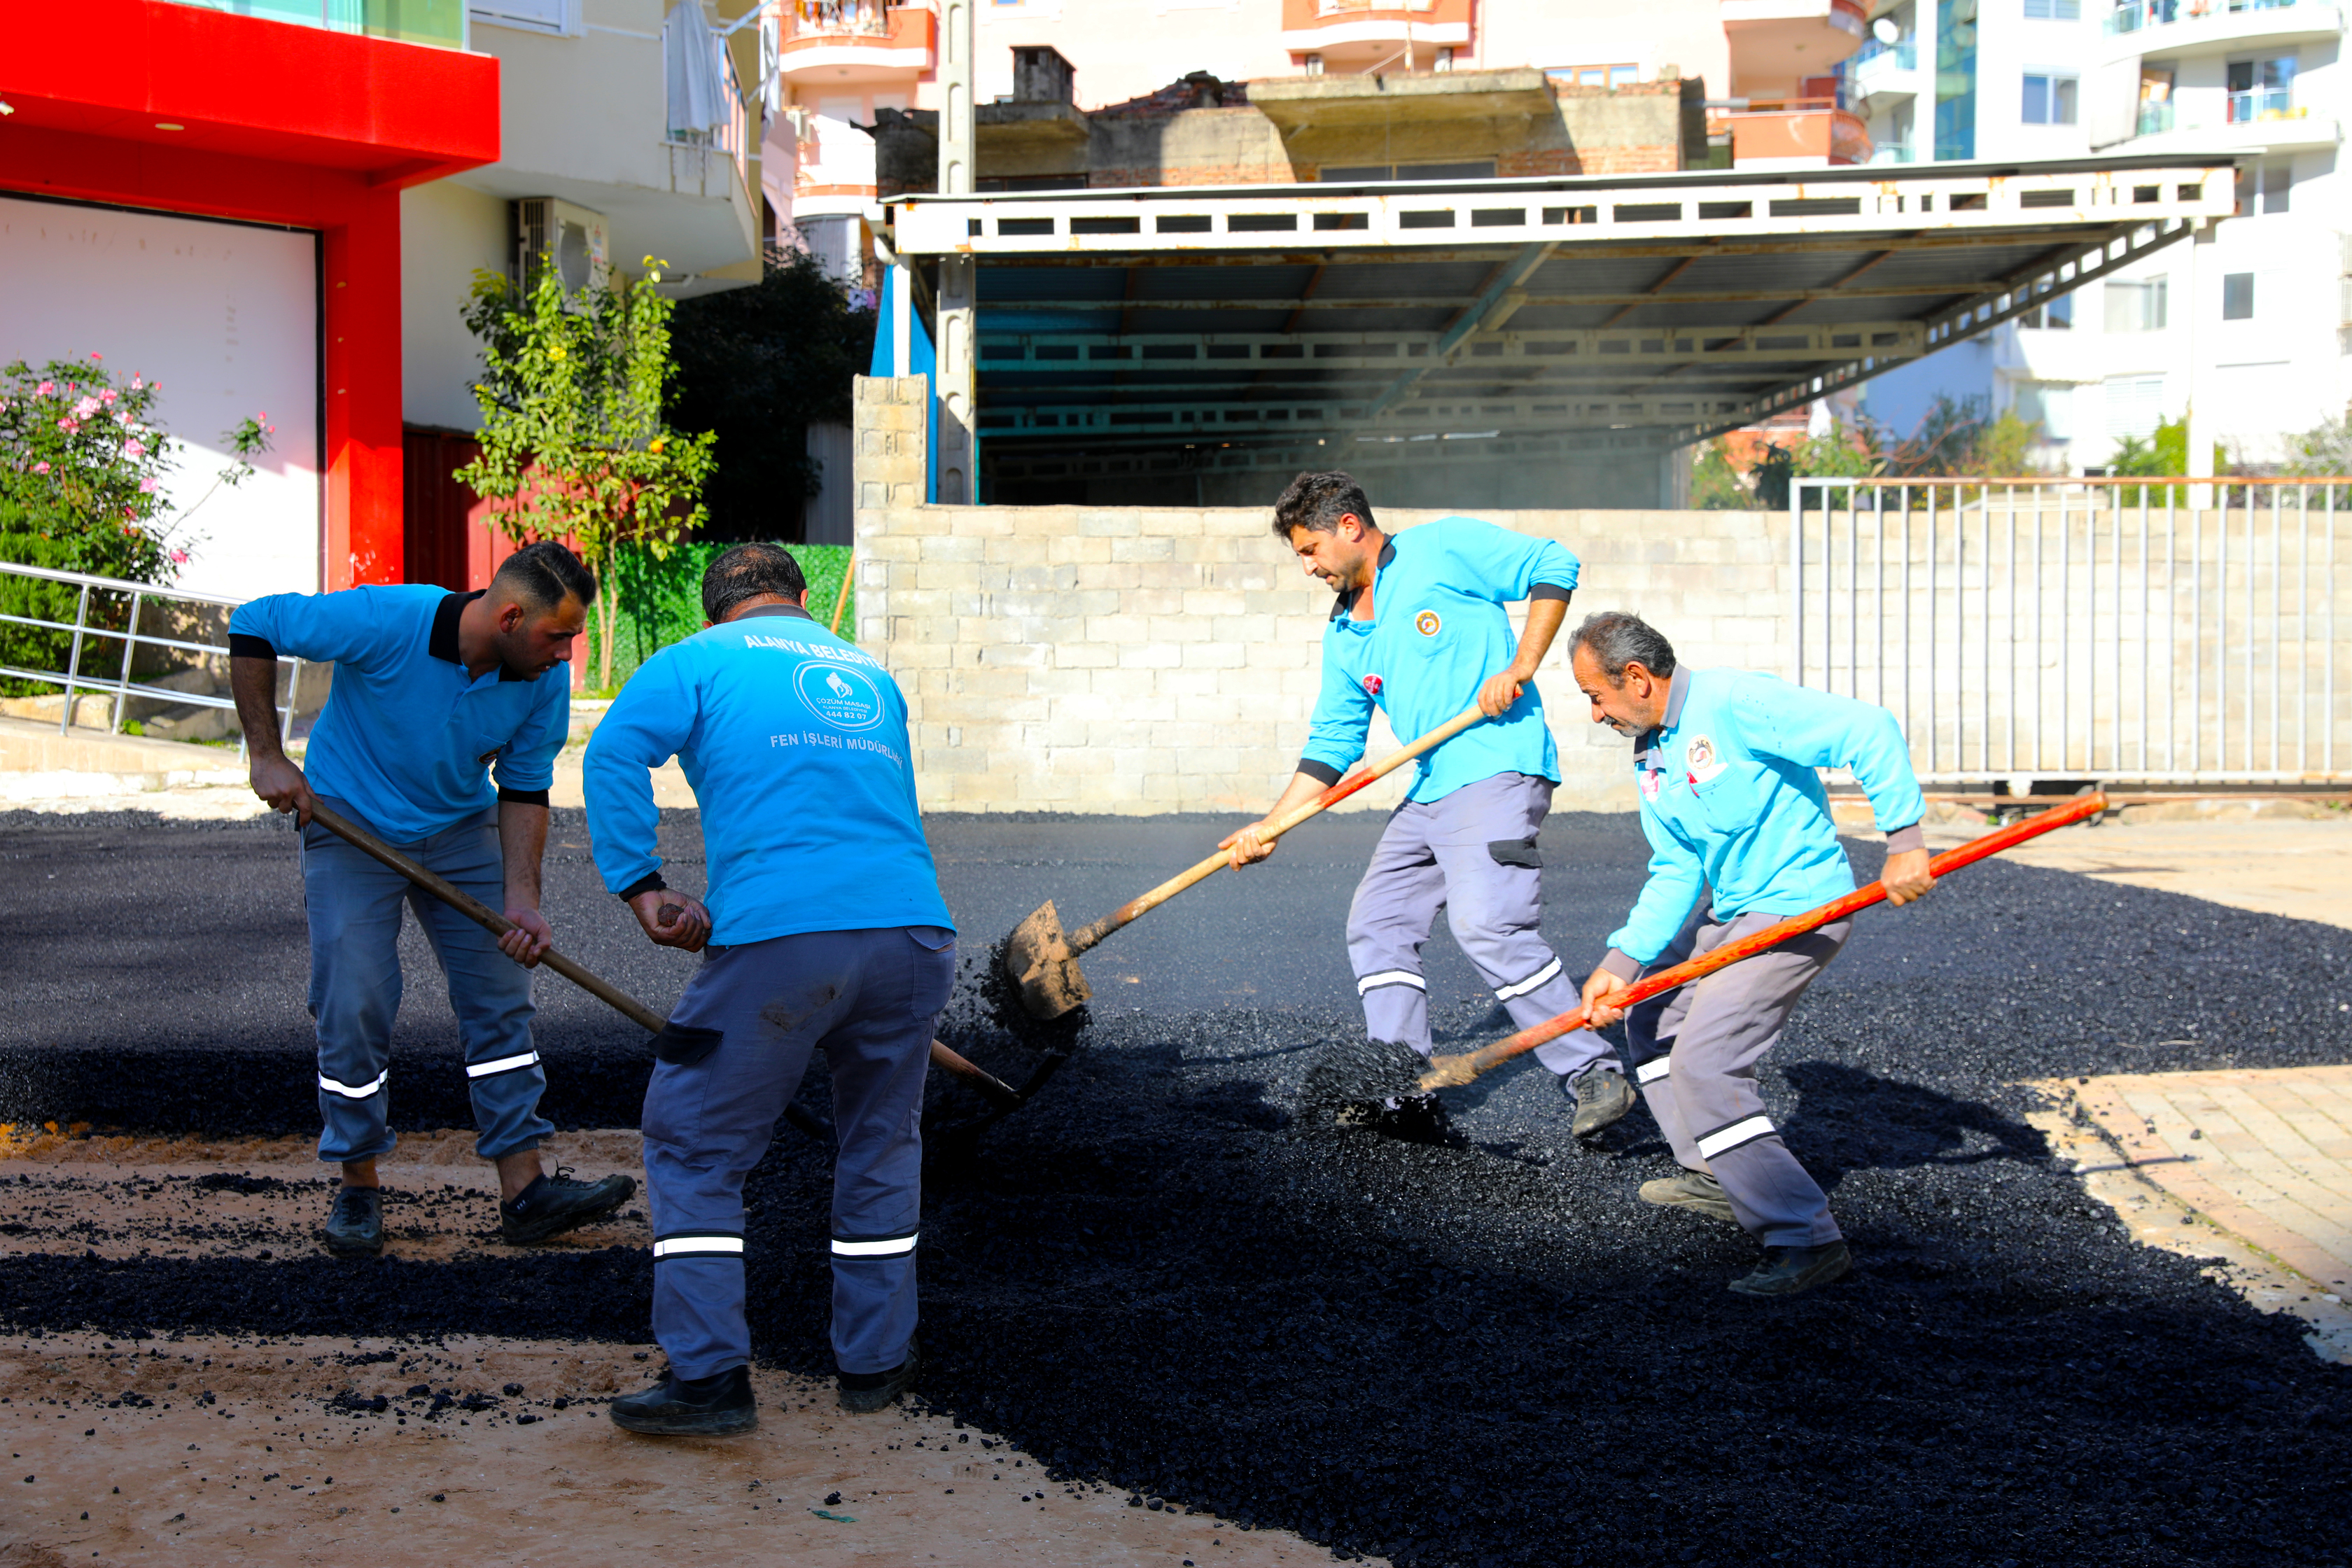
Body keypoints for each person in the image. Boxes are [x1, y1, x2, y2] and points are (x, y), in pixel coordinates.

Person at [584, 542, 955, 1436]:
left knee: (693, 1144)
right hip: (915, 933)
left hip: (783, 936)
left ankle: (709, 1375)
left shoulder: (696, 658)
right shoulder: (869, 674)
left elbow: (612, 753)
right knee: (881, 1144)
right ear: (800, 598)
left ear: (715, 610)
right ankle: (875, 1362)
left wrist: (642, 882)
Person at [226, 541, 638, 1259]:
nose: (566, 654)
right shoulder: (388, 619)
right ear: (510, 618)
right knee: (354, 994)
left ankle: (525, 1190)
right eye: (558, 635)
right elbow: (254, 623)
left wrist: (521, 901)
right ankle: (358, 1181)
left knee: (499, 994)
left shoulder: (539, 680)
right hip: (351, 821)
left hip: (458, 827)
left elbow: (525, 786)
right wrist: (266, 753)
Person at [1223, 470, 1632, 1138]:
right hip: (1432, 786)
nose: (1307, 568)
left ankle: (1592, 1070)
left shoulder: (1441, 549)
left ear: (1349, 527)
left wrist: (1522, 665)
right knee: (1378, 921)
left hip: (1496, 769)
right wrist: (1273, 825)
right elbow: (1333, 742)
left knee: (1488, 925)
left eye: (1310, 550)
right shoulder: (1345, 633)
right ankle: (1400, 1090)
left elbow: (1553, 564)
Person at [1568, 610, 1934, 1298]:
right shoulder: (1653, 754)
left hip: (1798, 907)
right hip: (1735, 911)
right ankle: (1717, 1175)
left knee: (1707, 1064)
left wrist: (1905, 839)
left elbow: (1868, 728)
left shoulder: (1736, 702)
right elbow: (1678, 866)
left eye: (1596, 695)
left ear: (1637, 678)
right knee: (1651, 1021)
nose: (1595, 713)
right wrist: (1622, 962)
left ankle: (1805, 1238)